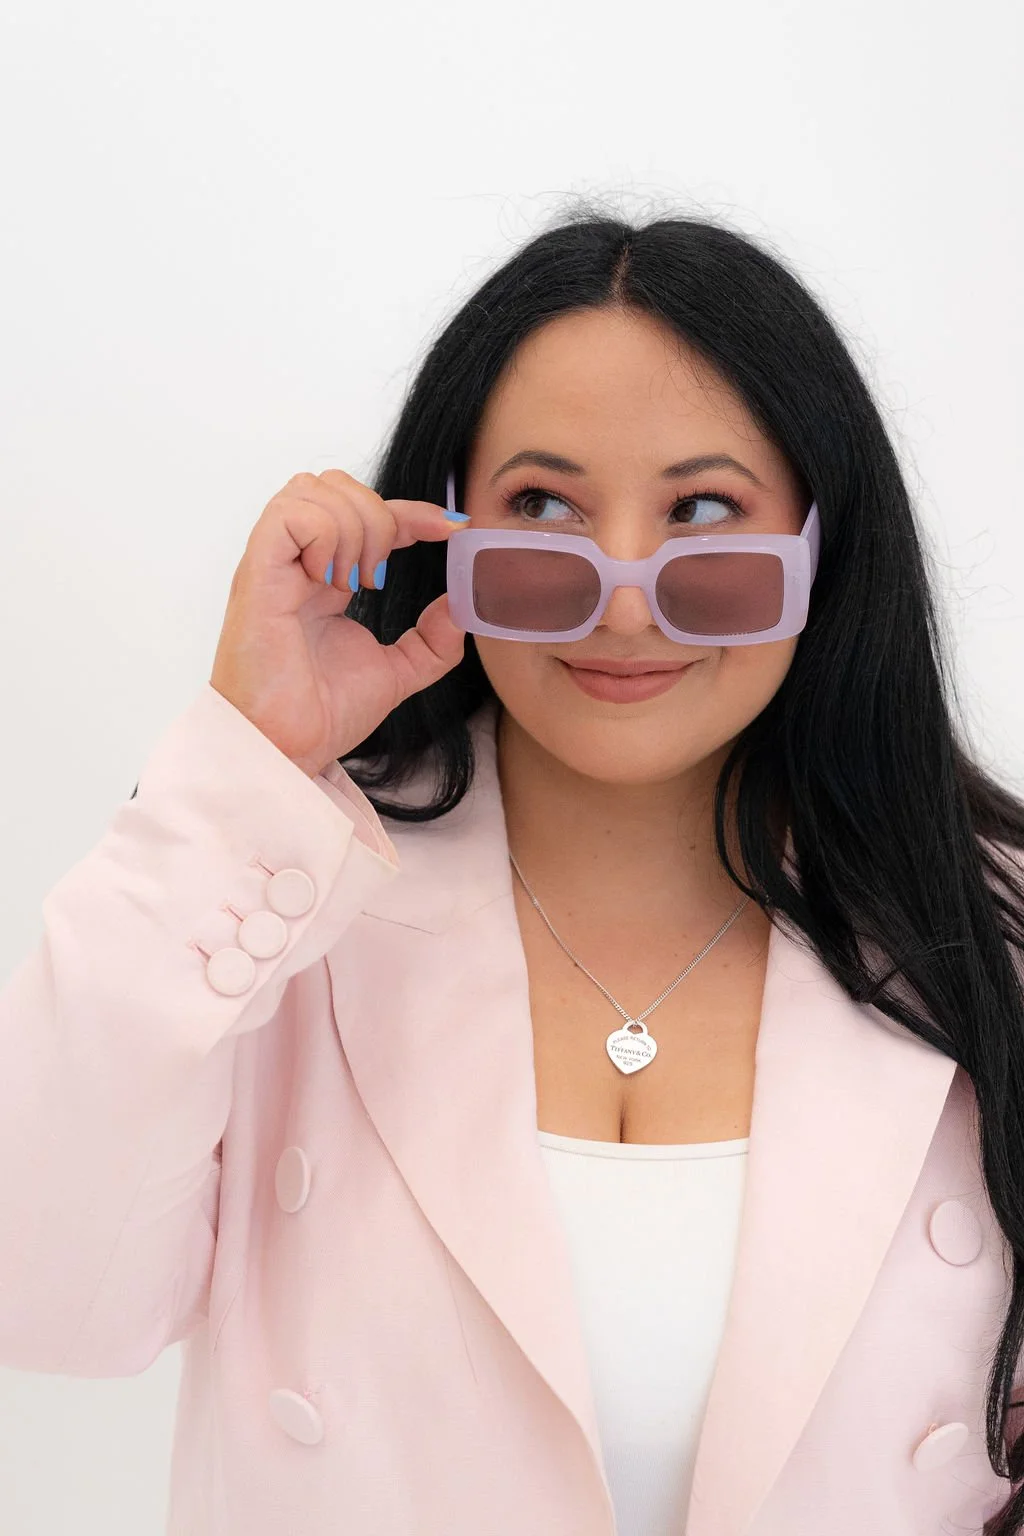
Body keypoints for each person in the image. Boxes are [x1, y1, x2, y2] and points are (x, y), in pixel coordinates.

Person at [2, 208, 1024, 1536]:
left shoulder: (987, 933)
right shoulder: (277, 900)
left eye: (704, 514)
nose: (623, 597)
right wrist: (250, 764)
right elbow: (42, 1294)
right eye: (543, 509)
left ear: (825, 555)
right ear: (443, 536)